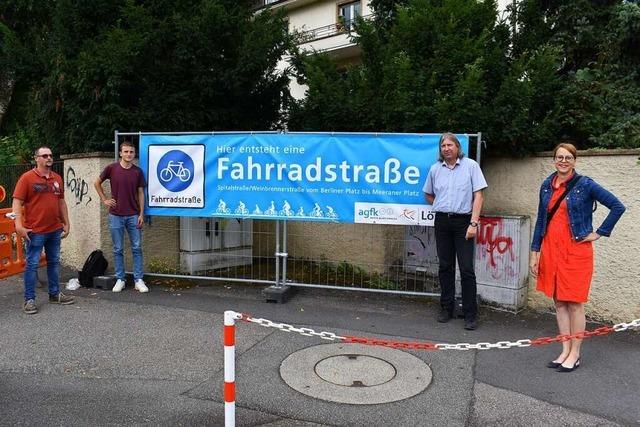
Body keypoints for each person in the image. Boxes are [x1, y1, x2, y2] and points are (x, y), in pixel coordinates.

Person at [529, 143, 625, 372]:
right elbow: (542, 221)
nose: (563, 161)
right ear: (554, 160)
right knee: (559, 301)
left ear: (575, 160)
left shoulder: (585, 184)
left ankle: (575, 353)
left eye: (568, 157)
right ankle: (564, 349)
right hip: (551, 249)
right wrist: (535, 253)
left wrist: (599, 233)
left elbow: (617, 206)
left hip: (575, 251)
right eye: (559, 157)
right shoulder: (546, 185)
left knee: (574, 302)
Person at [423, 133, 487, 330]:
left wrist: (473, 223)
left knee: (467, 269)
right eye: (443, 145)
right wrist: (442, 206)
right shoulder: (435, 169)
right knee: (445, 267)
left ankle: (470, 314)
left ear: (458, 147)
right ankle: (446, 308)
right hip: (442, 221)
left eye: (450, 144)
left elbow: (479, 196)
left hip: (464, 223)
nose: (446, 148)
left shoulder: (470, 166)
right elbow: (428, 194)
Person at [12, 146, 74, 314]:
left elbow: (61, 202)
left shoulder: (57, 178)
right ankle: (29, 300)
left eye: (50, 155)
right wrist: (18, 225)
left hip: (54, 229)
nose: (48, 158)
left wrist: (66, 223)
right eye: (44, 155)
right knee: (32, 265)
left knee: (54, 262)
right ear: (36, 159)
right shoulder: (27, 178)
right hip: (35, 230)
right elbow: (17, 202)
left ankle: (54, 294)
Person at [94, 140, 149, 293]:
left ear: (134, 153)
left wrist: (141, 214)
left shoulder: (138, 172)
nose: (129, 154)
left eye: (131, 152)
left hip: (133, 215)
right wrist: (104, 199)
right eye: (126, 151)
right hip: (115, 215)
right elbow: (96, 182)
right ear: (120, 153)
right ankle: (120, 279)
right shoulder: (111, 168)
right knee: (118, 249)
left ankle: (138, 280)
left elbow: (140, 193)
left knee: (137, 248)